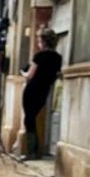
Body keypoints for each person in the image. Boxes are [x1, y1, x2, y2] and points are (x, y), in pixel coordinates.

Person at [20, 28, 63, 160]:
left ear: (44, 41)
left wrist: (23, 73)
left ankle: (32, 151)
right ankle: (34, 150)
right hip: (44, 91)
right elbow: (57, 74)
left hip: (32, 89)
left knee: (29, 119)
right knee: (31, 118)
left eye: (39, 40)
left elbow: (29, 75)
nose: (38, 43)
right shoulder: (58, 58)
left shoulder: (39, 56)